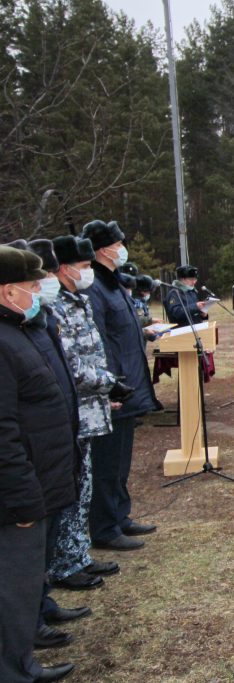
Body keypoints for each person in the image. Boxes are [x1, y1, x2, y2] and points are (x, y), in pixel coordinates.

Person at [0, 246, 76, 683]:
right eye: (32, 286)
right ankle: (15, 669)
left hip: (39, 481)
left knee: (25, 583)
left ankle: (23, 653)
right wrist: (23, 498)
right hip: (18, 496)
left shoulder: (22, 330)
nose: (38, 292)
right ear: (9, 291)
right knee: (12, 585)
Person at [48, 236, 126, 594]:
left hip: (91, 407)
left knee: (84, 487)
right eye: (82, 266)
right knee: (73, 489)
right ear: (63, 269)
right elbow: (72, 364)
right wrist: (108, 382)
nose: (87, 272)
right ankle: (64, 563)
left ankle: (77, 554)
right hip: (75, 411)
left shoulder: (77, 300)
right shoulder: (56, 307)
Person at [81, 219, 159, 549]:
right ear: (103, 249)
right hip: (114, 386)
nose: (122, 248)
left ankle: (120, 515)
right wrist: (110, 386)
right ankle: (104, 527)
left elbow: (123, 329)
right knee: (106, 462)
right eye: (118, 243)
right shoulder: (95, 287)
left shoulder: (112, 282)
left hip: (130, 383)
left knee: (122, 459)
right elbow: (98, 342)